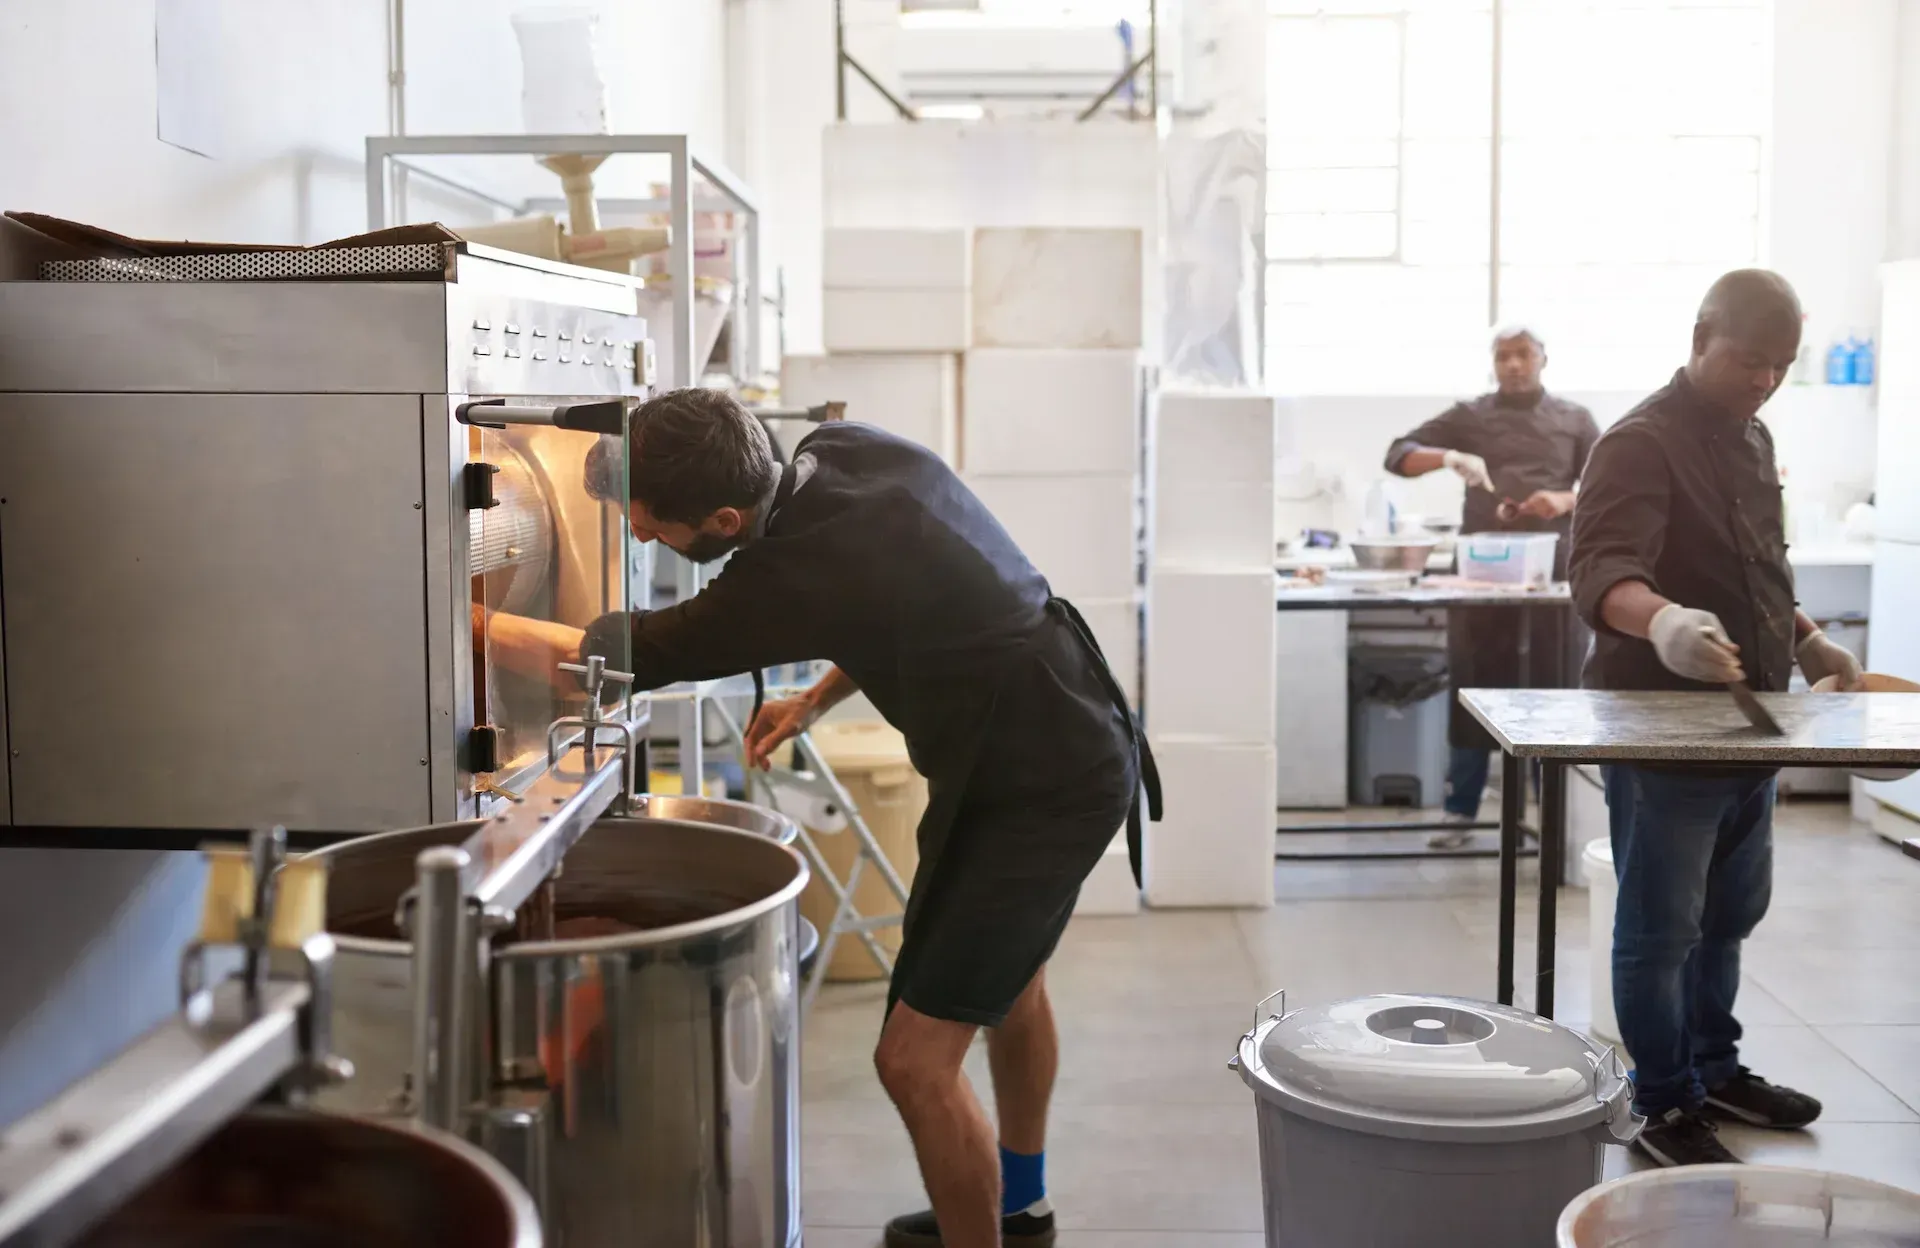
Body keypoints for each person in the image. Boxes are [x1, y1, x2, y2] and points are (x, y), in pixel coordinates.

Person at [479, 388, 1158, 1247]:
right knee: (1008, 985)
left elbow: (600, 659)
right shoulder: (843, 451)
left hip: (1037, 782)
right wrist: (813, 699)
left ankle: (1001, 1224)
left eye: (651, 526)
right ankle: (1018, 1204)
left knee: (913, 1063)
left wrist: (466, 618)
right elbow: (903, 597)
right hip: (1058, 726)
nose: (642, 539)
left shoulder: (784, 580)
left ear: (725, 519)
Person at [1569, 269, 1861, 1167]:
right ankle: (1660, 1101)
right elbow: (1599, 571)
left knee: (1729, 915)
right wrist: (1662, 621)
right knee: (1660, 930)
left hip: (1751, 727)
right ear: (1700, 339)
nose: (1765, 381)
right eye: (1749, 361)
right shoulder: (1637, 444)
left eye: (1782, 366)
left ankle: (1714, 1068)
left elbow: (1757, 568)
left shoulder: (1752, 436)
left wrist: (1810, 640)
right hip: (1662, 735)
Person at [1385, 325, 1600, 847]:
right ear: (1493, 363)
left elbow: (1609, 481)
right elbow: (1398, 454)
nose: (1514, 364)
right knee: (1475, 683)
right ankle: (1460, 811)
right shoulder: (1470, 416)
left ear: (1543, 358)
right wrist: (1447, 458)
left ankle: (1552, 817)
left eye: (1523, 354)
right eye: (1503, 356)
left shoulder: (1574, 419)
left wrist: (1563, 499)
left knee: (1554, 687)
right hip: (1483, 571)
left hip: (1552, 574)